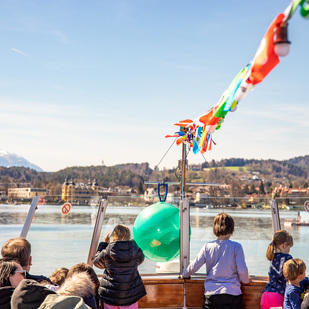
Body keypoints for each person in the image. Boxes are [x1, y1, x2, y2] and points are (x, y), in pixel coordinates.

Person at [183, 213, 249, 309]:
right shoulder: (236, 247)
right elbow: (242, 270)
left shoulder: (207, 246)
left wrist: (185, 274)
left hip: (212, 295)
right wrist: (246, 280)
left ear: (215, 228)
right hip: (232, 294)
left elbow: (194, 266)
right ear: (231, 229)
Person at [93, 224, 146, 309]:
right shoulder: (136, 250)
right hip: (131, 295)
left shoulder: (107, 251)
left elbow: (96, 262)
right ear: (128, 235)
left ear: (113, 235)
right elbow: (140, 260)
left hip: (111, 296)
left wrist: (104, 243)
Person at [260, 229, 294, 309]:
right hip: (277, 297)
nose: (289, 250)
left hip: (266, 295)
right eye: (289, 247)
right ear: (284, 245)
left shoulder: (272, 257)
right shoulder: (287, 258)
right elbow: (293, 276)